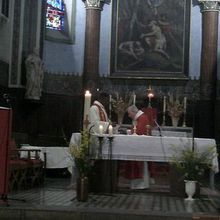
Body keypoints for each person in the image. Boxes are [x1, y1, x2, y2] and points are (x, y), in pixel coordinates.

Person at [120, 105, 151, 189]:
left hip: (140, 147)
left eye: (129, 113)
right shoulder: (139, 118)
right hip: (137, 146)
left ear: (134, 112)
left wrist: (129, 132)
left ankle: (140, 184)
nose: (129, 116)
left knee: (138, 165)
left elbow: (139, 132)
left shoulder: (142, 118)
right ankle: (136, 184)